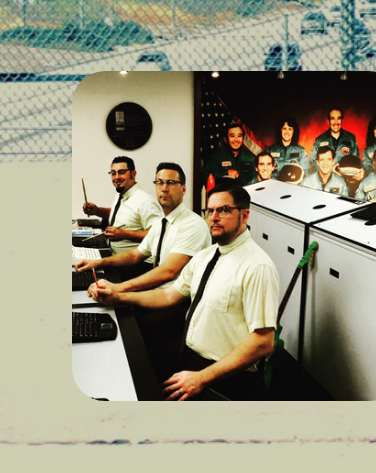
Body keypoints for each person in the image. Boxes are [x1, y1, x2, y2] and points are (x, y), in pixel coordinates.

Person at [93, 186, 279, 400]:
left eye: (224, 210)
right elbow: (168, 295)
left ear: (244, 215)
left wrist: (201, 378)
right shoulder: (205, 256)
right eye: (210, 211)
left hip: (224, 377)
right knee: (130, 365)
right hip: (189, 357)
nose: (214, 218)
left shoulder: (257, 267)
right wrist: (119, 297)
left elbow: (263, 342)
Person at [77, 162, 209, 296]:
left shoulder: (192, 224)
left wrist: (118, 288)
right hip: (157, 292)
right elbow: (135, 255)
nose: (164, 188)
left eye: (171, 183)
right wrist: (98, 262)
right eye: (159, 183)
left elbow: (168, 272)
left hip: (175, 300)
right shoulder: (160, 223)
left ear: (184, 189)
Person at [81, 156, 159, 256]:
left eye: (121, 172)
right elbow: (120, 214)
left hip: (136, 263)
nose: (116, 177)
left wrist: (125, 234)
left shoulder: (146, 202)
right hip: (114, 256)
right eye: (113, 173)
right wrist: (97, 211)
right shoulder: (121, 194)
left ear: (133, 174)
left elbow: (157, 235)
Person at [202, 123, 256, 194]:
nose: (236, 140)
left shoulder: (250, 157)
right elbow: (206, 176)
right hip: (224, 196)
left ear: (243, 140)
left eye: (239, 136)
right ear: (225, 139)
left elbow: (256, 180)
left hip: (246, 195)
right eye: (232, 136)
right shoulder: (217, 157)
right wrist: (225, 173)